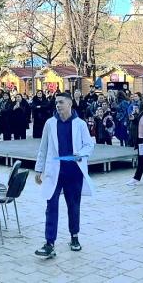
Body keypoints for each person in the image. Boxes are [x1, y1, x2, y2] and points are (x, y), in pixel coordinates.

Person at [34, 92, 95, 258]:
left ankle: (74, 236)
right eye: (56, 103)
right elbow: (43, 147)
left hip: (74, 171)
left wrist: (80, 154)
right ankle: (49, 243)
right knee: (51, 206)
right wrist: (39, 169)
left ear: (70, 104)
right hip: (54, 170)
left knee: (73, 205)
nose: (58, 105)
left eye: (61, 102)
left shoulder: (80, 124)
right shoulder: (50, 123)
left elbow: (89, 145)